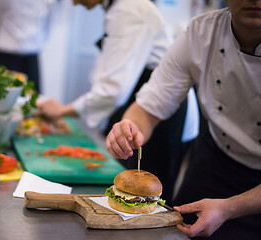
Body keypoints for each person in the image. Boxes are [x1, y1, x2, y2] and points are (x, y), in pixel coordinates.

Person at [105, 0, 261, 238]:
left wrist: (229, 208)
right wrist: (129, 128)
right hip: (215, 159)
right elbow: (149, 106)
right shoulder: (200, 33)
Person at [38, 0, 199, 204]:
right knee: (128, 191)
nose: (74, 2)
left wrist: (62, 110)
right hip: (141, 112)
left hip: (162, 116)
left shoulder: (130, 10)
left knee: (150, 199)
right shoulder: (119, 9)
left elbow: (112, 91)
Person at [0, 0, 58, 93]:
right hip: (7, 55)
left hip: (31, 55)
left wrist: (39, 43)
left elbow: (50, 21)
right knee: (2, 97)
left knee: (33, 98)